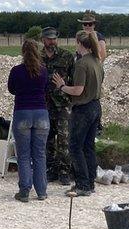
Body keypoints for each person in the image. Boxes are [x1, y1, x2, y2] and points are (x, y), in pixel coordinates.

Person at [53, 31, 104, 198]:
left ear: (80, 44)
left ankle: (82, 184)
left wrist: (61, 86)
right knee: (88, 146)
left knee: (75, 147)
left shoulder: (82, 64)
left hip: (83, 109)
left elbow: (78, 90)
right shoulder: (97, 61)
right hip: (96, 106)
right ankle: (90, 181)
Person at [8, 40, 50, 202]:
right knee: (39, 154)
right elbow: (46, 89)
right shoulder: (44, 71)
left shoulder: (16, 71)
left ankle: (24, 190)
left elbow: (11, 89)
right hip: (41, 113)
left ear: (23, 52)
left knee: (24, 155)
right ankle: (41, 191)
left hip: (22, 112)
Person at [41, 27, 75, 186]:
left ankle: (64, 172)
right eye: (49, 39)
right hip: (43, 104)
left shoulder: (67, 56)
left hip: (62, 105)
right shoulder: (37, 57)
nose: (52, 42)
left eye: (54, 39)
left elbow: (74, 80)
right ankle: (50, 169)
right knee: (47, 139)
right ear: (43, 40)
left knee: (64, 140)